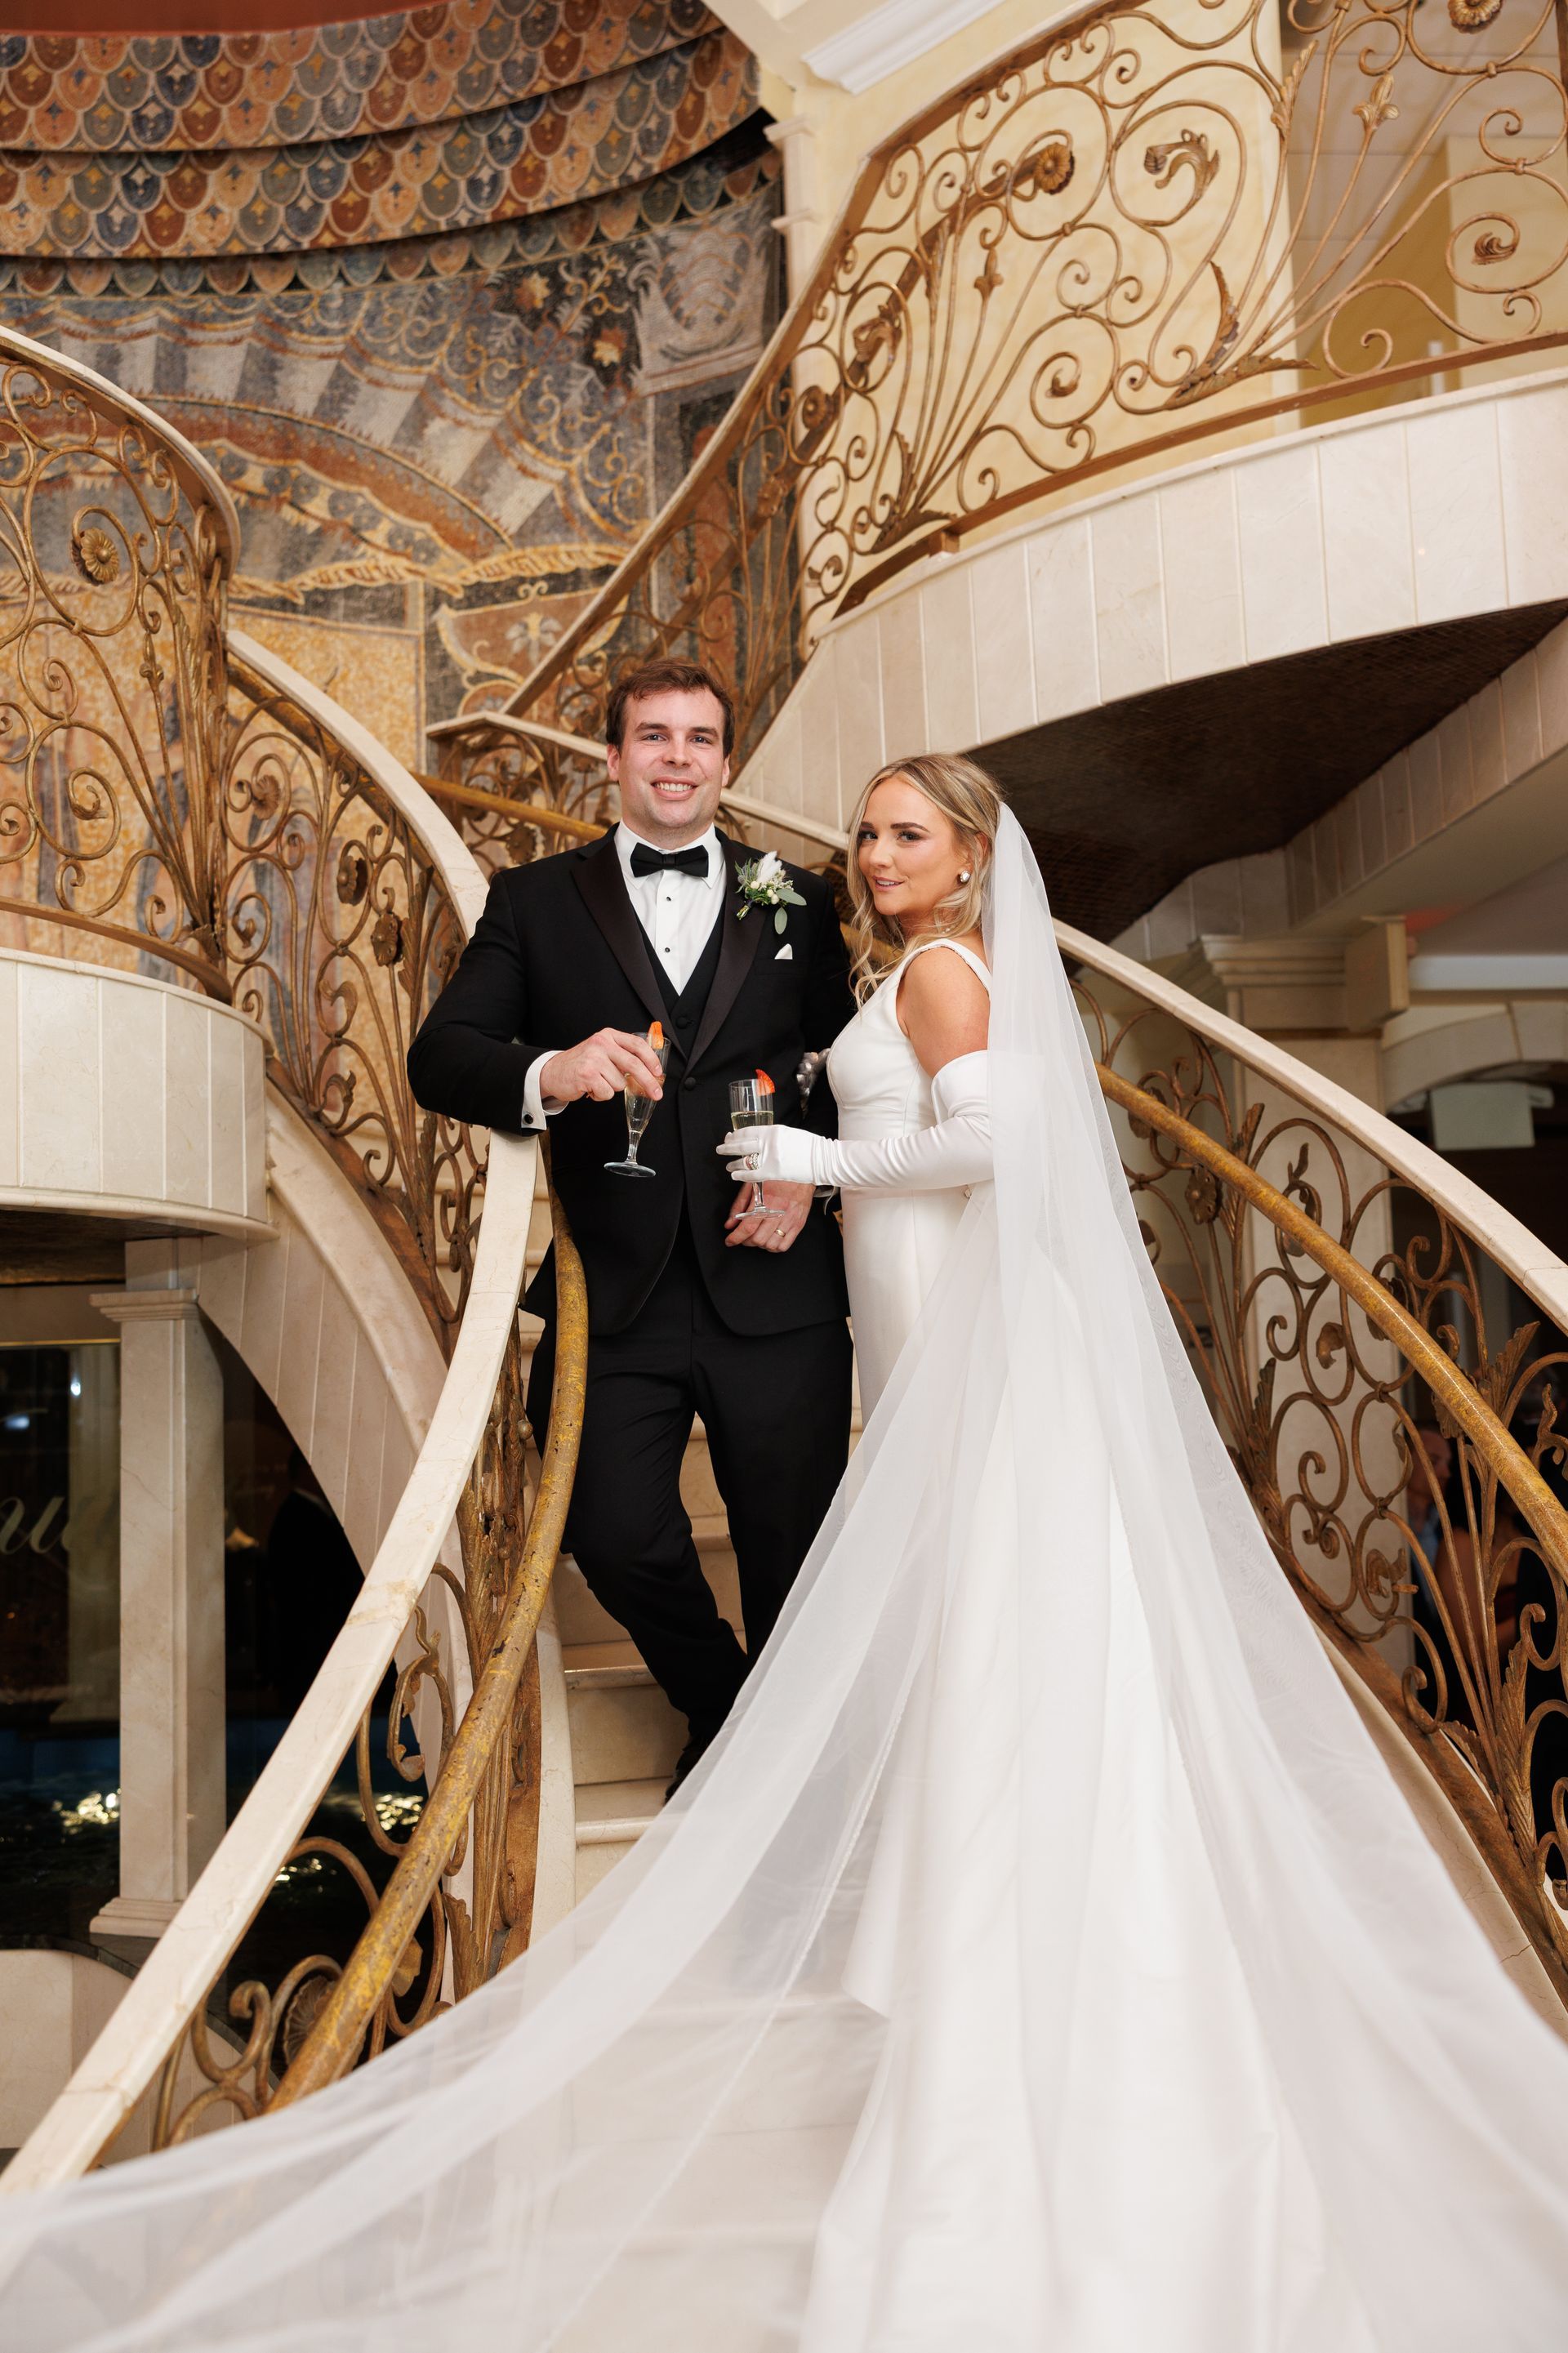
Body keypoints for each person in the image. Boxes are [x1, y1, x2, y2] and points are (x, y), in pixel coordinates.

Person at [14, 763, 1568, 2353]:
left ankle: (1055, 1981)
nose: (878, 856)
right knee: (969, 1670)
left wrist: (823, 1174)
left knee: (1008, 1657)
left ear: (970, 859)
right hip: (923, 1357)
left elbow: (1000, 1155)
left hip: (990, 1378)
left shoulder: (955, 976)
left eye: (909, 834)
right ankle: (971, 1932)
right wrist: (800, 1183)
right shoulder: (900, 976)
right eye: (873, 833)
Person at [406, 657, 854, 1790]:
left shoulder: (796, 894)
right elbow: (440, 1058)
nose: (676, 758)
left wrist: (816, 1175)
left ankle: (790, 1791)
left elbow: (852, 1066)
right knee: (609, 1529)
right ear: (612, 758)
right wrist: (554, 1067)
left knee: (794, 1556)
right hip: (614, 1291)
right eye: (653, 737)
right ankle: (725, 1698)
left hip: (778, 1280)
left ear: (726, 761)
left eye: (699, 739)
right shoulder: (535, 902)